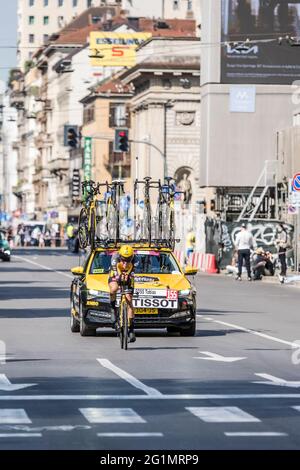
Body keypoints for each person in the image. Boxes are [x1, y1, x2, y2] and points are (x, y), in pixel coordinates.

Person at [108, 245, 136, 343]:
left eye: (129, 259)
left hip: (128, 275)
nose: (126, 261)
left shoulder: (135, 258)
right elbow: (114, 269)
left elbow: (133, 271)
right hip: (116, 274)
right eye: (124, 259)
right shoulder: (115, 257)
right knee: (114, 288)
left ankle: (131, 329)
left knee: (129, 299)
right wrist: (119, 277)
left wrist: (128, 276)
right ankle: (112, 307)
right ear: (120, 255)